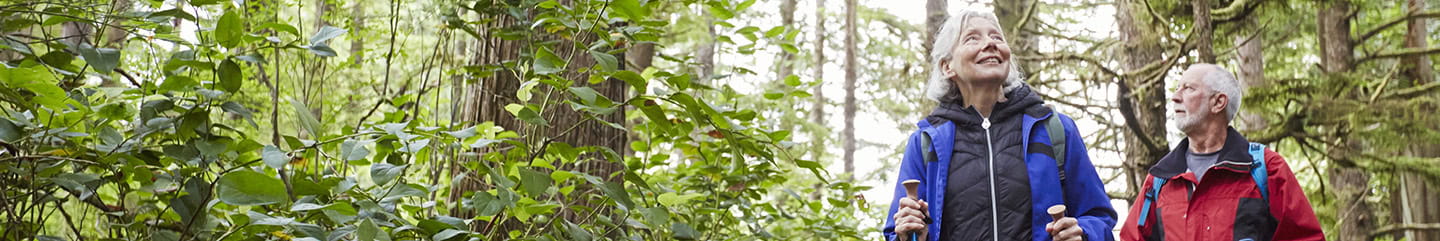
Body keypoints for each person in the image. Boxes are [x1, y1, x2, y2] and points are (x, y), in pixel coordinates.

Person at [882, 10, 1117, 241]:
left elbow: (1099, 217)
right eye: (972, 38)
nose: (990, 44)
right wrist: (910, 236)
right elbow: (897, 233)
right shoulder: (926, 142)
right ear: (947, 67)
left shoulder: (1054, 129)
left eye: (996, 37)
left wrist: (1083, 234)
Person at [1118, 64, 1324, 240]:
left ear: (1218, 102)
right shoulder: (1160, 179)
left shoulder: (1265, 168)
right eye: (1177, 88)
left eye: (1188, 88)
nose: (1175, 97)